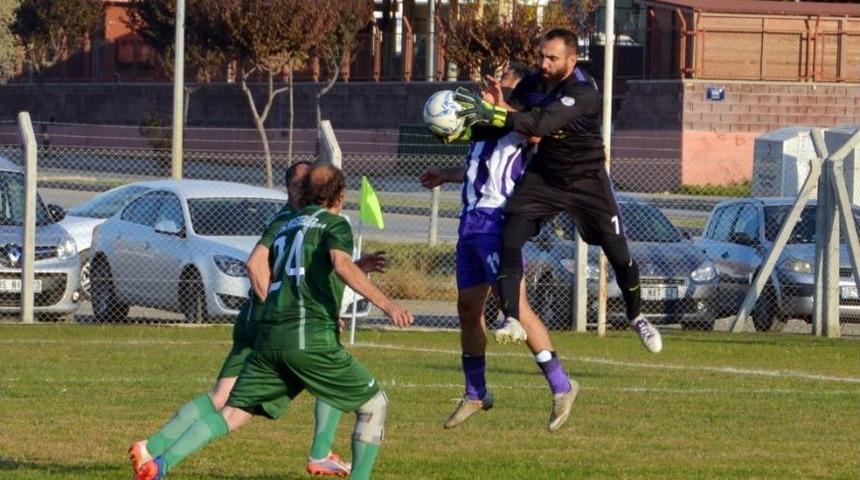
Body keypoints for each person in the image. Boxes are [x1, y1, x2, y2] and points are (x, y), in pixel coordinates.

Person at [135, 164, 413, 480]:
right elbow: (339, 263)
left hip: (270, 337)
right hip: (308, 337)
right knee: (374, 404)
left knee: (232, 413)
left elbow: (278, 266)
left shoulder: (284, 223)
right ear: (339, 194)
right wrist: (387, 304)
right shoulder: (334, 223)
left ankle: (159, 465)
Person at [447, 28, 663, 353]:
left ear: (571, 60)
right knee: (510, 234)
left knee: (619, 255)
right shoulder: (532, 82)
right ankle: (510, 318)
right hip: (546, 176)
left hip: (586, 179)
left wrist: (497, 111)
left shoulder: (583, 91)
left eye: (552, 58)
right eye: (542, 56)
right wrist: (494, 106)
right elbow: (519, 127)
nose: (544, 63)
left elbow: (538, 126)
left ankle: (636, 316)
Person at [420, 63, 579, 433]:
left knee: (516, 307)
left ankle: (562, 385)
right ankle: (476, 392)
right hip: (470, 223)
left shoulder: (522, 122)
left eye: (504, 84)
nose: (491, 90)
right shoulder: (482, 127)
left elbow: (536, 134)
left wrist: (502, 105)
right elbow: (482, 167)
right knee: (467, 309)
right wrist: (446, 175)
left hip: (498, 222)